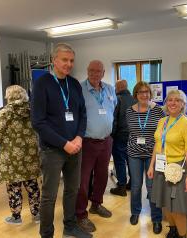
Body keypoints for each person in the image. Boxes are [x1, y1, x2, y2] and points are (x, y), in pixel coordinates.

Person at [31, 43, 91, 238]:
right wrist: (64, 143)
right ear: (54, 60)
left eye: (72, 60)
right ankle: (47, 233)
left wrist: (79, 138)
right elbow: (38, 122)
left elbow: (82, 114)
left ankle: (70, 226)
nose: (69, 64)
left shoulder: (74, 84)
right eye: (64, 60)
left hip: (76, 147)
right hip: (52, 150)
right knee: (49, 196)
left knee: (73, 189)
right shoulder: (42, 84)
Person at [148, 90, 187, 238]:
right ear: (166, 103)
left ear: (183, 104)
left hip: (177, 171)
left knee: (177, 209)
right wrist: (151, 166)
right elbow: (158, 145)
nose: (173, 103)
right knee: (165, 204)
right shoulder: (162, 121)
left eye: (177, 100)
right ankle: (173, 230)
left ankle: (182, 235)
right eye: (170, 100)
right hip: (161, 168)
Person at [76, 60, 117, 233]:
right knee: (83, 180)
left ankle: (96, 204)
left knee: (102, 176)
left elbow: (112, 108)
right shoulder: (79, 89)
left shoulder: (109, 89)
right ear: (87, 71)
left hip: (106, 141)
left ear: (103, 72)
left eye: (98, 71)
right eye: (91, 71)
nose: (94, 74)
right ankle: (80, 214)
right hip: (86, 142)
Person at [0, 85, 41, 225]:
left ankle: (16, 217)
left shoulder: (5, 112)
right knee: (32, 185)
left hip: (11, 155)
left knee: (13, 187)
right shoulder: (33, 110)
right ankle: (37, 215)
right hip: (31, 153)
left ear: (9, 96)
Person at [126, 81, 164, 234]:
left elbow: (162, 133)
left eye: (147, 92)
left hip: (152, 154)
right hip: (134, 153)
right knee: (135, 186)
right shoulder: (129, 111)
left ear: (150, 94)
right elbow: (131, 132)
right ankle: (135, 212)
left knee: (152, 187)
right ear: (136, 94)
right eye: (141, 92)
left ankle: (156, 218)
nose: (144, 95)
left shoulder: (158, 110)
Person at [110, 79, 135, 196]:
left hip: (120, 135)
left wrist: (111, 134)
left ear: (118, 88)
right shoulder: (135, 100)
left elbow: (114, 119)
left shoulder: (117, 99)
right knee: (131, 160)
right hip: (133, 136)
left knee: (119, 161)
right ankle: (132, 183)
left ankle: (121, 187)